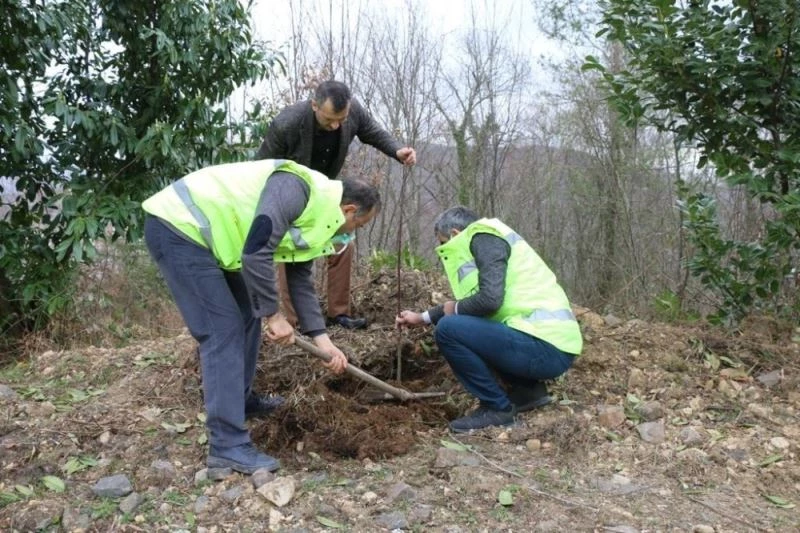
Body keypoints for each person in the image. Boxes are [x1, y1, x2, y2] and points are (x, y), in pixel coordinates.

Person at [142, 159, 381, 473]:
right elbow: (256, 250)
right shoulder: (297, 189)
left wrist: (324, 342)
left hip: (212, 244)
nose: (353, 235)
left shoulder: (318, 217)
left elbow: (299, 280)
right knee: (222, 330)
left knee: (246, 314)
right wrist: (273, 315)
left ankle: (240, 400)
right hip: (179, 227)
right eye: (358, 227)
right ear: (349, 211)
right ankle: (227, 445)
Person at [396, 206, 583, 433]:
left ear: (456, 234)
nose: (442, 248)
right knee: (464, 326)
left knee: (448, 330)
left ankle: (497, 408)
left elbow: (489, 301)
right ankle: (528, 392)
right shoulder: (489, 238)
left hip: (545, 348)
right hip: (545, 345)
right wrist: (423, 317)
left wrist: (451, 310)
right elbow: (474, 304)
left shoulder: (484, 238)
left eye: (443, 241)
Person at [256, 80, 416, 329]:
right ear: (314, 105)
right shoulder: (286, 124)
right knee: (292, 252)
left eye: (341, 119)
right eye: (329, 119)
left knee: (343, 241)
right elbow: (261, 167)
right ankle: (297, 321)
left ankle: (339, 313)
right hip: (289, 195)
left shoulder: (351, 113)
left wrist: (397, 151)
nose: (335, 125)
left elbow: (372, 132)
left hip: (327, 191)